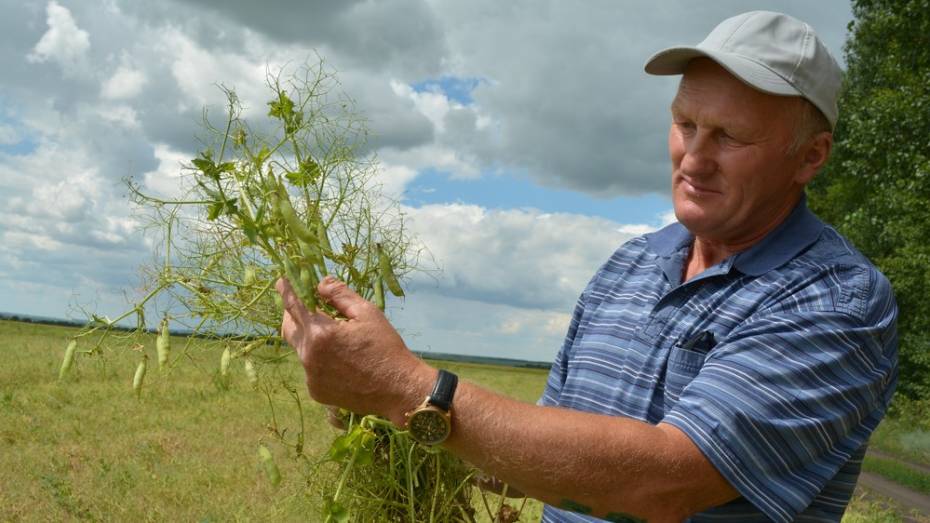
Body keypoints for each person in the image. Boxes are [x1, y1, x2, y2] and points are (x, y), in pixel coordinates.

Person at [276, 11, 898, 522]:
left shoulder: (835, 302)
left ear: (810, 156)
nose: (694, 159)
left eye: (729, 137)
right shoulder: (628, 267)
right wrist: (393, 416)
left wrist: (410, 388)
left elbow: (664, 483)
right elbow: (534, 460)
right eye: (685, 124)